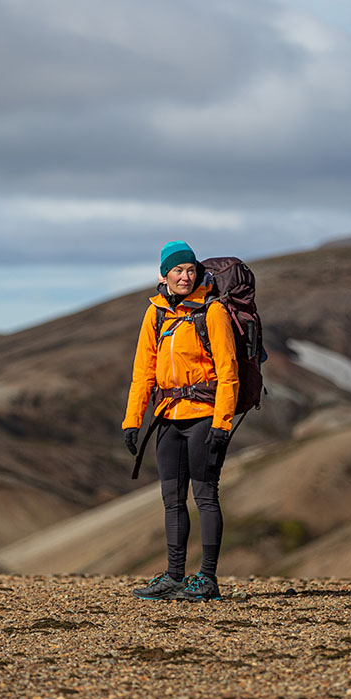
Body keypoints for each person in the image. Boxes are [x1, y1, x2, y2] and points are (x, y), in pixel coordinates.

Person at [122, 240, 239, 601]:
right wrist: (132, 421)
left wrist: (222, 423)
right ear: (164, 275)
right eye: (178, 270)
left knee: (205, 496)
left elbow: (228, 370)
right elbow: (143, 372)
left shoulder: (212, 312)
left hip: (204, 416)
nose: (186, 276)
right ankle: (174, 577)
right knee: (172, 499)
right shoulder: (155, 313)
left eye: (190, 269)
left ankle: (207, 580)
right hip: (168, 417)